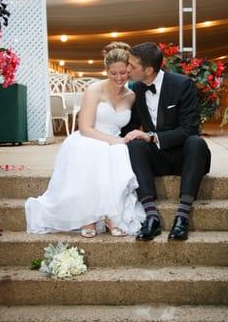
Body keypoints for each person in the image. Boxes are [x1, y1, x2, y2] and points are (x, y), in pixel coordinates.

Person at [25, 42, 145, 237]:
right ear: (106, 70)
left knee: (119, 154)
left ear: (128, 70)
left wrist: (130, 138)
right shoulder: (94, 90)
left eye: (123, 72)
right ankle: (87, 217)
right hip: (89, 137)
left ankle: (111, 215)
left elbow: (135, 125)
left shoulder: (131, 95)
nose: (118, 78)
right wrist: (115, 141)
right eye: (113, 73)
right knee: (94, 152)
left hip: (115, 141)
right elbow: (85, 128)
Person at [122, 42, 211, 241]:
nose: (127, 69)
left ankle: (182, 217)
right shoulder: (135, 89)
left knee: (196, 142)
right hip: (157, 158)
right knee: (135, 144)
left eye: (132, 66)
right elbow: (131, 127)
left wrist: (152, 136)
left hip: (184, 156)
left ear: (149, 70)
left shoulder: (182, 84)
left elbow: (190, 129)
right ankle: (151, 217)